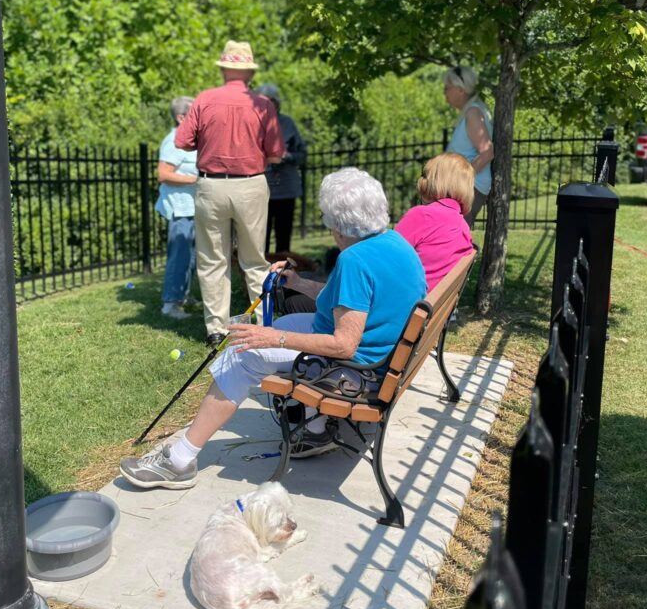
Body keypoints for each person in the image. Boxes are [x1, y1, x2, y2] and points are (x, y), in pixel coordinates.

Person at [119, 168, 427, 490]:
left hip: (356, 372)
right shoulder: (393, 243)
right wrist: (299, 284)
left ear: (337, 223)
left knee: (243, 352)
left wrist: (273, 338)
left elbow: (343, 345)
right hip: (386, 360)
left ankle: (180, 460)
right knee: (282, 325)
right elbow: (351, 304)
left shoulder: (354, 260)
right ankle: (316, 429)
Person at [174, 41, 285, 346]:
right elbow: (276, 154)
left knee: (212, 259)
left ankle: (216, 328)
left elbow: (182, 141)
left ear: (223, 69)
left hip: (212, 185)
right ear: (249, 72)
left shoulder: (205, 100)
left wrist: (211, 141)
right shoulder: (263, 104)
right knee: (254, 260)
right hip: (250, 184)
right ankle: (264, 324)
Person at [395, 153, 476, 292]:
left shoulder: (422, 216)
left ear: (436, 182)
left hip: (407, 306)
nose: (422, 181)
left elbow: (384, 256)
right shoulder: (463, 227)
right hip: (435, 308)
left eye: (426, 176)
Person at [156, 96, 199, 319]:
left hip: (192, 208)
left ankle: (184, 296)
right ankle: (170, 304)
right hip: (180, 208)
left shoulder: (191, 139)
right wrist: (195, 180)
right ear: (181, 117)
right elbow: (163, 174)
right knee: (179, 256)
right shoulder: (174, 139)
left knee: (191, 257)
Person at [253, 83, 307, 255]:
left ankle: (283, 277)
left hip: (286, 189)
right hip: (261, 188)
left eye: (269, 102)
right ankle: (261, 277)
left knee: (284, 239)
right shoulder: (250, 124)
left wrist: (287, 157)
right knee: (260, 238)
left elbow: (302, 154)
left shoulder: (287, 123)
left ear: (276, 103)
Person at [443, 65, 494, 224]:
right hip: (462, 188)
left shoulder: (473, 113)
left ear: (460, 89)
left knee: (450, 239)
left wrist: (461, 180)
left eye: (447, 87)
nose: (444, 92)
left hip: (467, 189)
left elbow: (487, 153)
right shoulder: (471, 112)